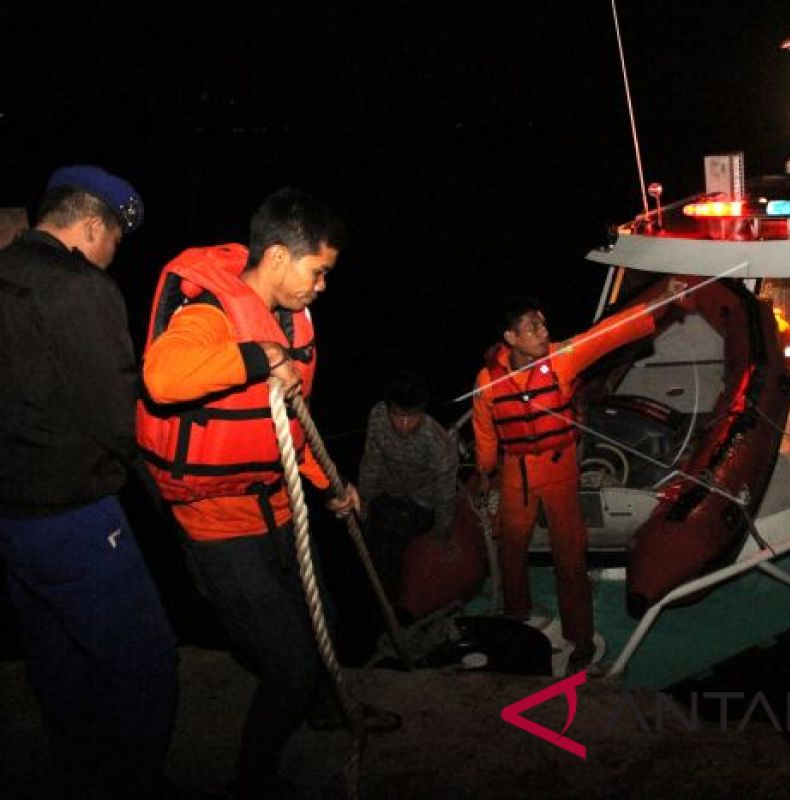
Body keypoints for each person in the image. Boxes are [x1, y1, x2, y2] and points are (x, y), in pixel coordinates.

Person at [137, 188, 395, 797]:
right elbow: (161, 376)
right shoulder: (210, 313)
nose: (322, 287)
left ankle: (327, 711)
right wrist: (259, 356)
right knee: (289, 661)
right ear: (278, 257)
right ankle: (254, 774)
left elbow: (286, 427)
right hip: (218, 521)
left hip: (279, 504)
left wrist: (331, 484)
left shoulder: (292, 316)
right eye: (318, 271)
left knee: (326, 626)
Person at [0, 165, 178, 798]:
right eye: (114, 241)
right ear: (92, 225)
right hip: (73, 516)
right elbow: (115, 416)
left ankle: (75, 771)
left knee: (56, 657)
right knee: (147, 664)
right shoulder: (80, 289)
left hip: (12, 520)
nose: (112, 255)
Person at [471, 280, 690, 671]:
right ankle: (518, 612)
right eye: (532, 327)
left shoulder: (562, 359)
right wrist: (485, 471)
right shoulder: (488, 381)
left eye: (543, 323)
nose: (543, 331)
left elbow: (608, 333)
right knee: (511, 547)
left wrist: (661, 300)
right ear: (510, 338)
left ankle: (580, 638)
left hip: (558, 469)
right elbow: (485, 431)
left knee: (570, 557)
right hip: (515, 473)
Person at [357, 370, 459, 599]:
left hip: (420, 503)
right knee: (369, 529)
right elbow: (371, 460)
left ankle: (392, 601)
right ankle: (374, 595)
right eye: (397, 414)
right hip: (387, 493)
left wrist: (441, 533)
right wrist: (365, 499)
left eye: (411, 416)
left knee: (391, 536)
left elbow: (445, 491)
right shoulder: (378, 416)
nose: (403, 424)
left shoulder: (436, 440)